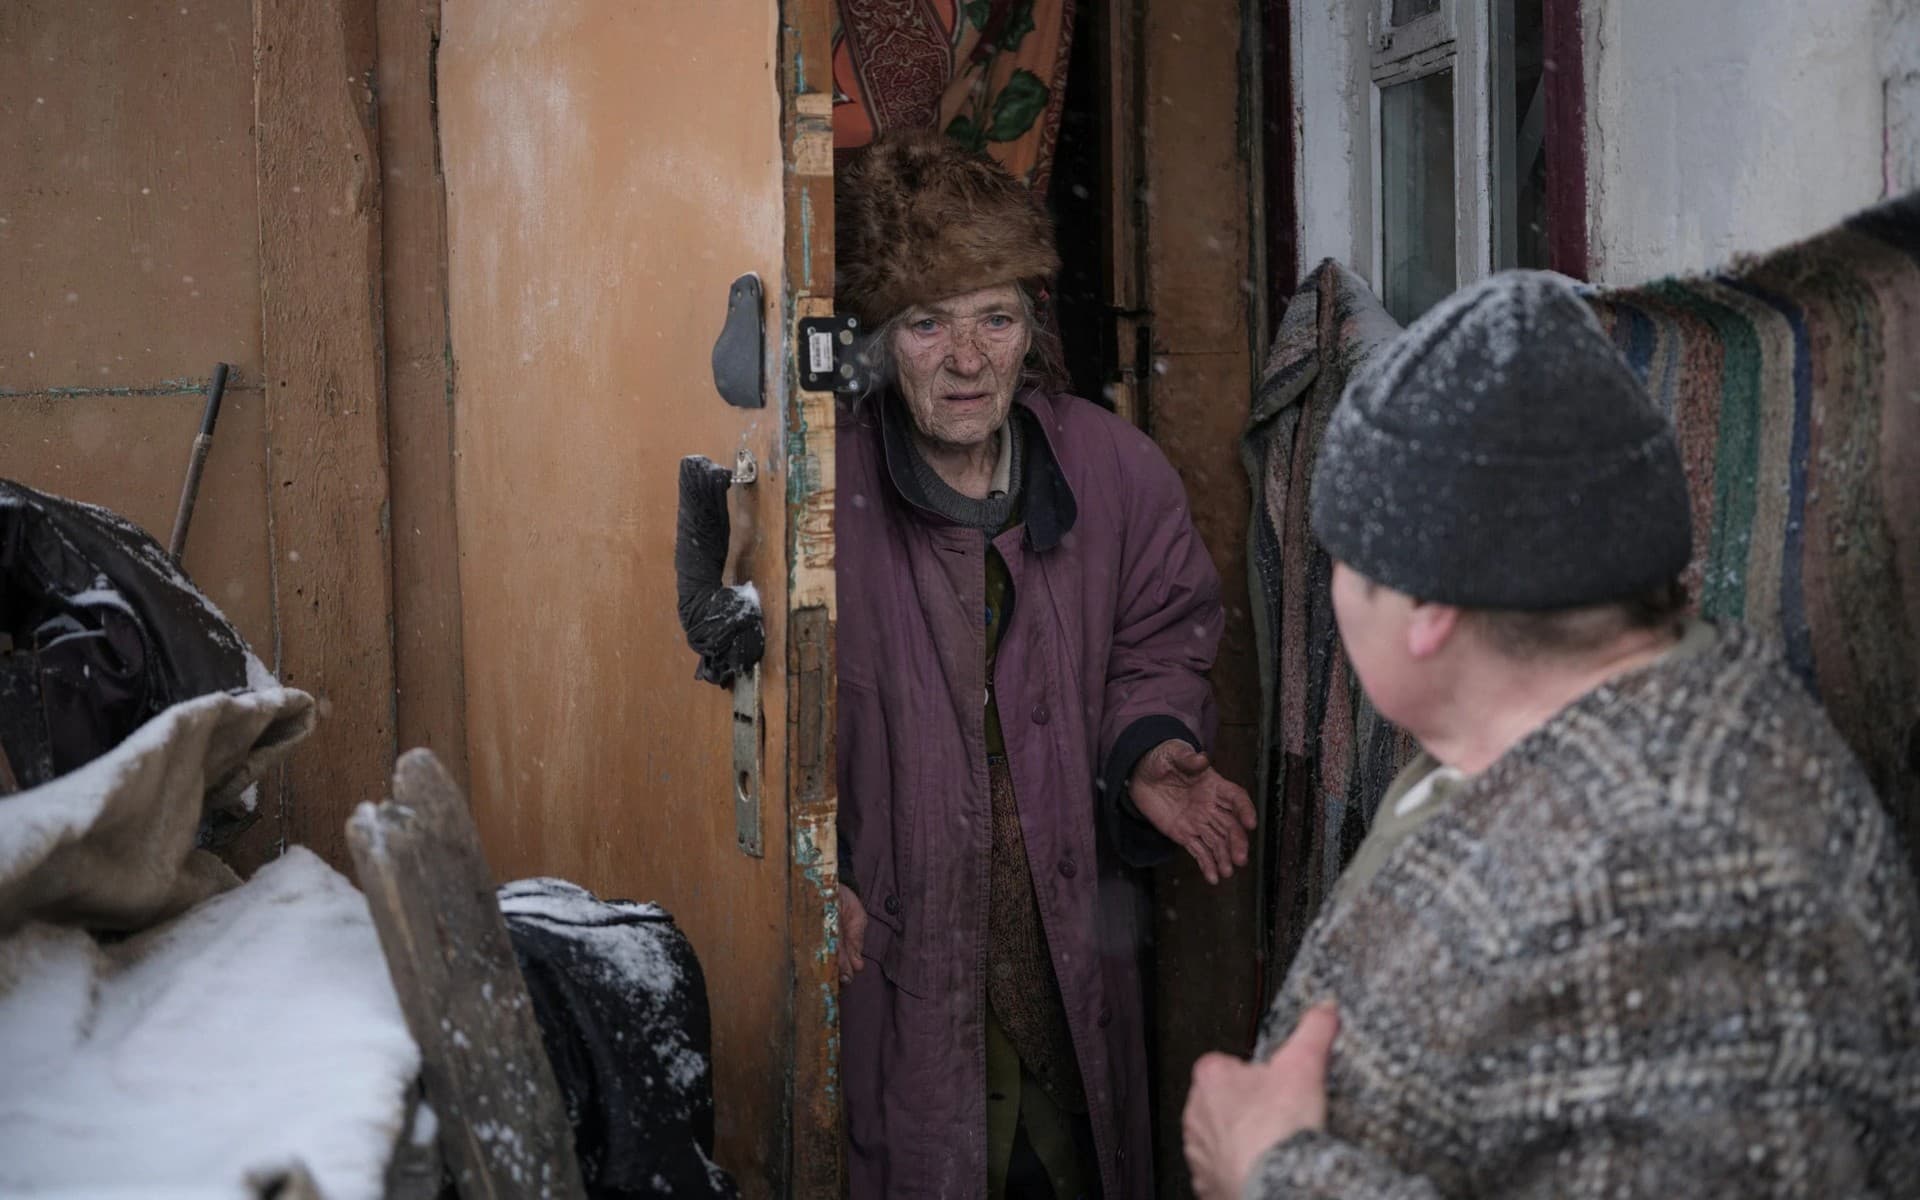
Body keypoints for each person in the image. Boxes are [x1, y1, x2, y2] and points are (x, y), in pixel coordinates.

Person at [1182, 271, 1920, 1198]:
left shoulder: (1681, 879)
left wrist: (1273, 1172)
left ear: (1425, 605)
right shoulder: (1563, 733)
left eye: (1345, 561)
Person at [834, 130, 1257, 1200]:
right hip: (898, 952)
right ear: (881, 343)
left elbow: (1162, 633)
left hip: (1067, 947)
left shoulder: (1113, 470)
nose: (966, 359)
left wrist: (1149, 745)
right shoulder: (823, 496)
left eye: (995, 318)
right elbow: (761, 701)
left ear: (1032, 329)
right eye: (927, 322)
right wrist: (807, 873)